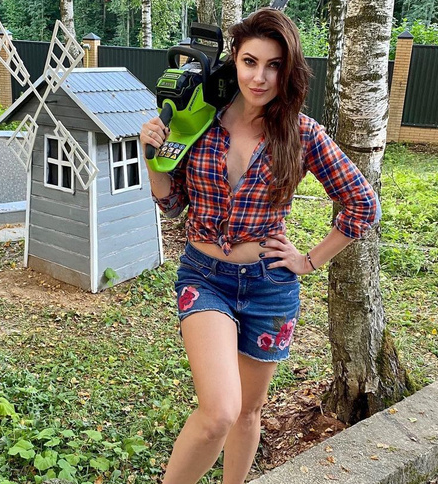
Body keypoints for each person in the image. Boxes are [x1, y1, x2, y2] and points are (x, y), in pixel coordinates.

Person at [140, 8, 380, 484]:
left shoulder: (301, 133)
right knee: (219, 412)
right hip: (205, 277)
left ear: (287, 72)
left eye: (274, 66)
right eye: (250, 62)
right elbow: (173, 206)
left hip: (270, 288)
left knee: (249, 412)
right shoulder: (198, 119)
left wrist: (308, 261)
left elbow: (362, 204)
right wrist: (153, 158)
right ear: (234, 59)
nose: (260, 77)